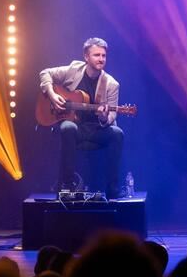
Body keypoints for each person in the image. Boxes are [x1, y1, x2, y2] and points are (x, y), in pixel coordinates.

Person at [39, 37, 125, 199]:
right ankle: (67, 185)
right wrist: (51, 95)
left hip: (96, 130)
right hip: (75, 127)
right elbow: (45, 73)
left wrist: (104, 117)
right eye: (96, 55)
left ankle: (112, 189)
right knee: (67, 127)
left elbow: (112, 117)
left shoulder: (112, 84)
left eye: (103, 56)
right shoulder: (74, 70)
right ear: (86, 57)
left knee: (117, 133)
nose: (101, 59)